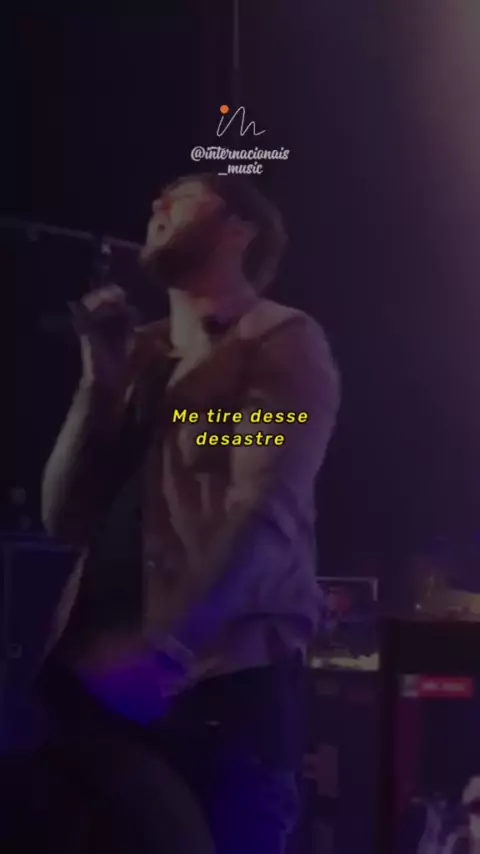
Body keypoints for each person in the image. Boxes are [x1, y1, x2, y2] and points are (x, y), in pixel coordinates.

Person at [38, 173, 340, 853]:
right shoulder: (141, 355)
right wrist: (99, 384)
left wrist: (168, 654)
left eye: (184, 193)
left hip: (215, 701)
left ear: (239, 229)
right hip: (99, 701)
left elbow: (264, 513)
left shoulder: (282, 342)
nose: (157, 203)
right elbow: (65, 517)